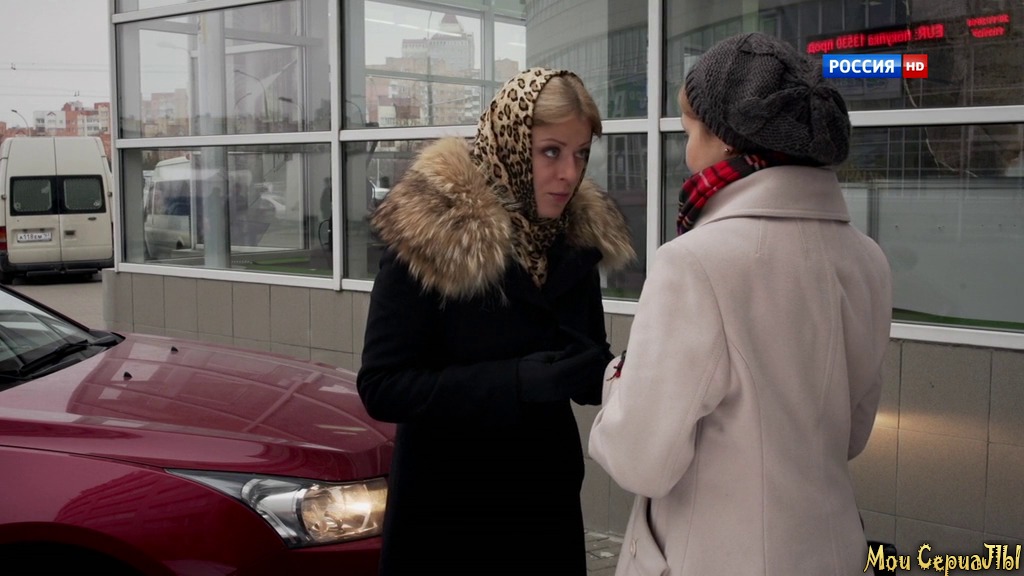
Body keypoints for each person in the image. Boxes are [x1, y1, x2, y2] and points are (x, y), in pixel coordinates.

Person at [588, 32, 893, 576]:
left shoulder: (694, 263)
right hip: (835, 550)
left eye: (689, 131)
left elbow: (640, 461)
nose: (686, 152)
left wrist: (619, 377)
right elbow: (852, 435)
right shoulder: (867, 259)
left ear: (726, 141)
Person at [357, 67, 636, 575]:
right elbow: (383, 385)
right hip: (450, 516)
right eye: (551, 151)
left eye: (580, 154)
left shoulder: (573, 238)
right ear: (509, 143)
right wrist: (514, 382)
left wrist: (606, 371)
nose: (569, 173)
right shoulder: (433, 233)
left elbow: (583, 358)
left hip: (543, 509)